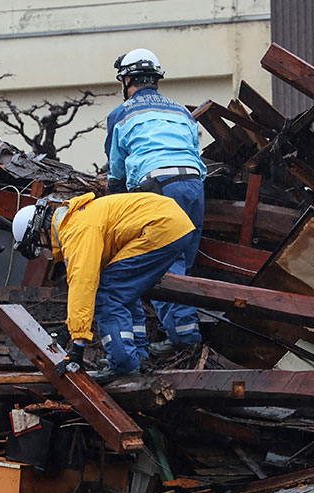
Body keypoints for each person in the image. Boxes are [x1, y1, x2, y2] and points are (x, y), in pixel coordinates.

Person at [11, 192, 197, 378]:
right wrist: (69, 328)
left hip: (160, 226)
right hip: (170, 222)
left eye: (38, 245)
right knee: (123, 290)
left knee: (107, 294)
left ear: (41, 231)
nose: (42, 250)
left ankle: (123, 363)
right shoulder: (76, 221)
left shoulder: (76, 232)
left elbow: (83, 286)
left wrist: (77, 346)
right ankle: (137, 355)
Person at [105, 48, 206, 356]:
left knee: (162, 265)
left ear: (127, 80)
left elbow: (117, 169)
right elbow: (194, 150)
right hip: (194, 185)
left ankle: (183, 339)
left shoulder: (121, 114)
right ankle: (184, 330)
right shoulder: (181, 111)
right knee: (184, 260)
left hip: (157, 188)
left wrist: (113, 204)